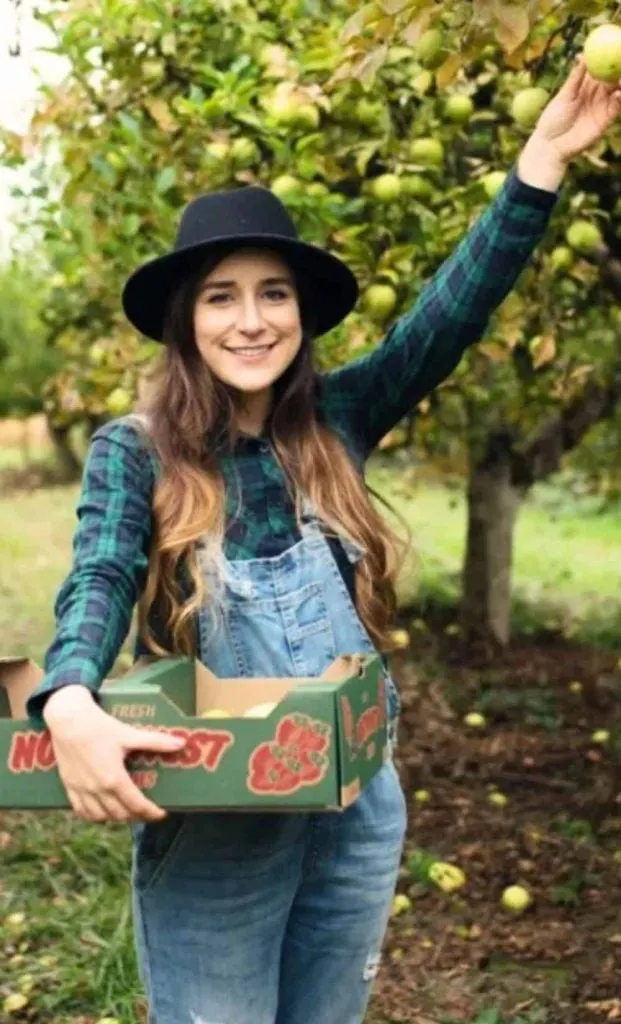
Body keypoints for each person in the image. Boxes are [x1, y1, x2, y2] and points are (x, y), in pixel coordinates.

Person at [26, 59, 620, 1024]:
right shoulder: (134, 453)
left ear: (301, 315)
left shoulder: (336, 422)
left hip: (352, 803)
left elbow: (448, 318)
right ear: (185, 321)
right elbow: (97, 574)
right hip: (219, 822)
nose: (251, 320)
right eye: (221, 296)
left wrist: (541, 158)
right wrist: (72, 699)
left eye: (274, 294)